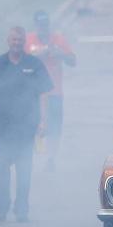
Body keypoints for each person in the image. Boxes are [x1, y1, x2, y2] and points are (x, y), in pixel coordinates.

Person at [0, 27, 53, 223]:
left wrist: (44, 121)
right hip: (2, 129)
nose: (16, 43)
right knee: (1, 170)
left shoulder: (34, 64)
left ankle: (22, 210)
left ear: (24, 42)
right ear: (8, 40)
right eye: (13, 39)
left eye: (20, 40)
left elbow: (44, 94)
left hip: (26, 128)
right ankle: (1, 208)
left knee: (24, 172)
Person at [26, 10, 76, 169]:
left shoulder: (58, 39)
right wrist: (39, 54)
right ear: (36, 26)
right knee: (33, 125)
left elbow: (73, 60)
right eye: (40, 26)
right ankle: (32, 155)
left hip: (55, 92)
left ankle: (51, 158)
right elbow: (21, 61)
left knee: (55, 127)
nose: (44, 29)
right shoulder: (29, 40)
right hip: (33, 93)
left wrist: (60, 54)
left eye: (46, 25)